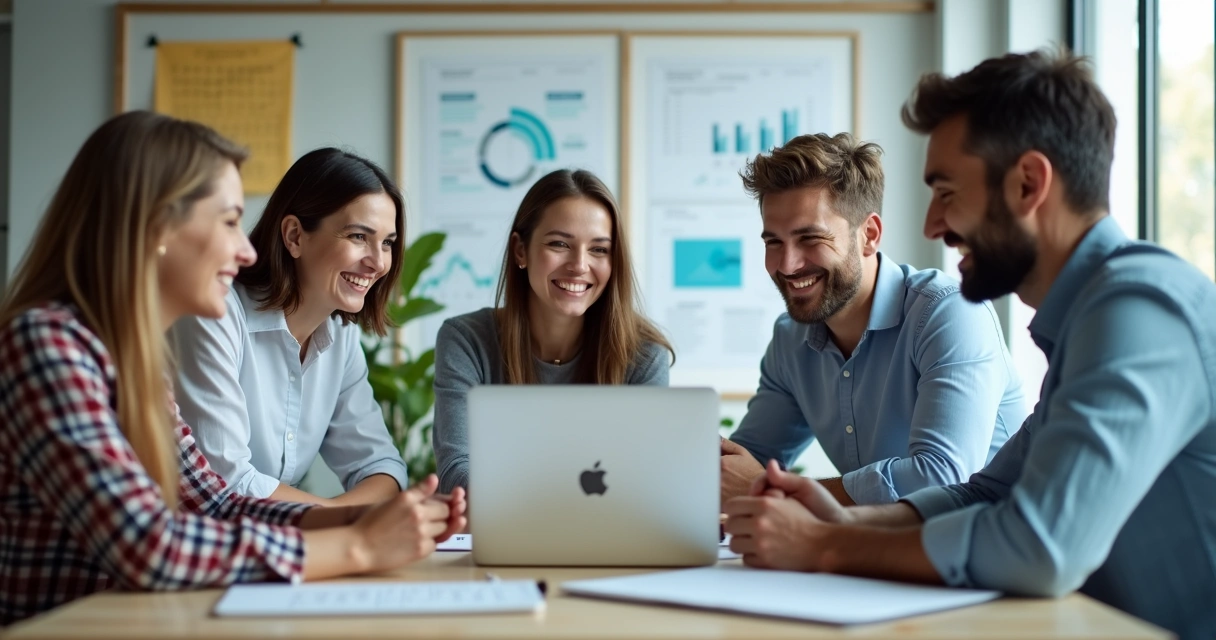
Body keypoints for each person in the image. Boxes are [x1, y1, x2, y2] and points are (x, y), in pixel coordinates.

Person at [722, 50, 1216, 639]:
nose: (932, 225)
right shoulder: (1087, 319)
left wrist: (827, 545)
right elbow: (987, 490)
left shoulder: (1139, 308)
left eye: (947, 192)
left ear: (1029, 184)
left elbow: (1040, 545)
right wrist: (843, 522)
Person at [0, 111, 465, 625]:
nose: (246, 250)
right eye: (228, 221)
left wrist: (371, 518)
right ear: (154, 226)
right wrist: (356, 544)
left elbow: (216, 502)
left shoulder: (131, 360)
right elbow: (150, 544)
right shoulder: (46, 344)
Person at [720, 132, 1028, 506]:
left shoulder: (949, 313)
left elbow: (942, 477)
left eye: (810, 239)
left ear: (869, 235)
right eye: (773, 242)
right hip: (873, 554)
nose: (787, 264)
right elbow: (746, 465)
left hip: (980, 552)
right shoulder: (791, 339)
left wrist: (784, 495)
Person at [170, 148, 409, 506]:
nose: (378, 262)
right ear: (295, 236)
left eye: (387, 243)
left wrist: (339, 521)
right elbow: (223, 481)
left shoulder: (341, 338)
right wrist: (341, 522)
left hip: (272, 543)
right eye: (359, 236)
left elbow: (381, 466)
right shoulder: (214, 314)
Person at [433, 169, 673, 494]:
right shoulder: (466, 340)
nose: (579, 265)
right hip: (507, 539)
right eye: (560, 244)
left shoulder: (643, 355)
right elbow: (456, 474)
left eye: (599, 249)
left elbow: (648, 481)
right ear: (521, 250)